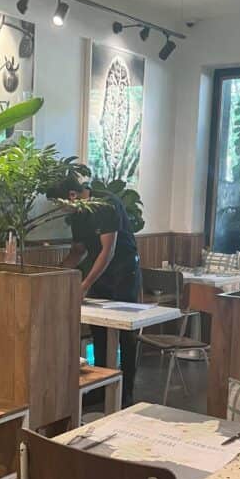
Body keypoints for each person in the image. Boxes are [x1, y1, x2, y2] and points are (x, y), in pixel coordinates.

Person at [52, 171, 141, 406]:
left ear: (72, 195)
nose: (61, 210)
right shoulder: (78, 213)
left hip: (123, 270)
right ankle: (101, 388)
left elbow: (107, 251)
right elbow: (78, 251)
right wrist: (54, 275)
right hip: (99, 271)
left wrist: (84, 285)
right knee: (99, 331)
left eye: (59, 204)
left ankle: (127, 392)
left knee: (126, 334)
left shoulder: (106, 204)